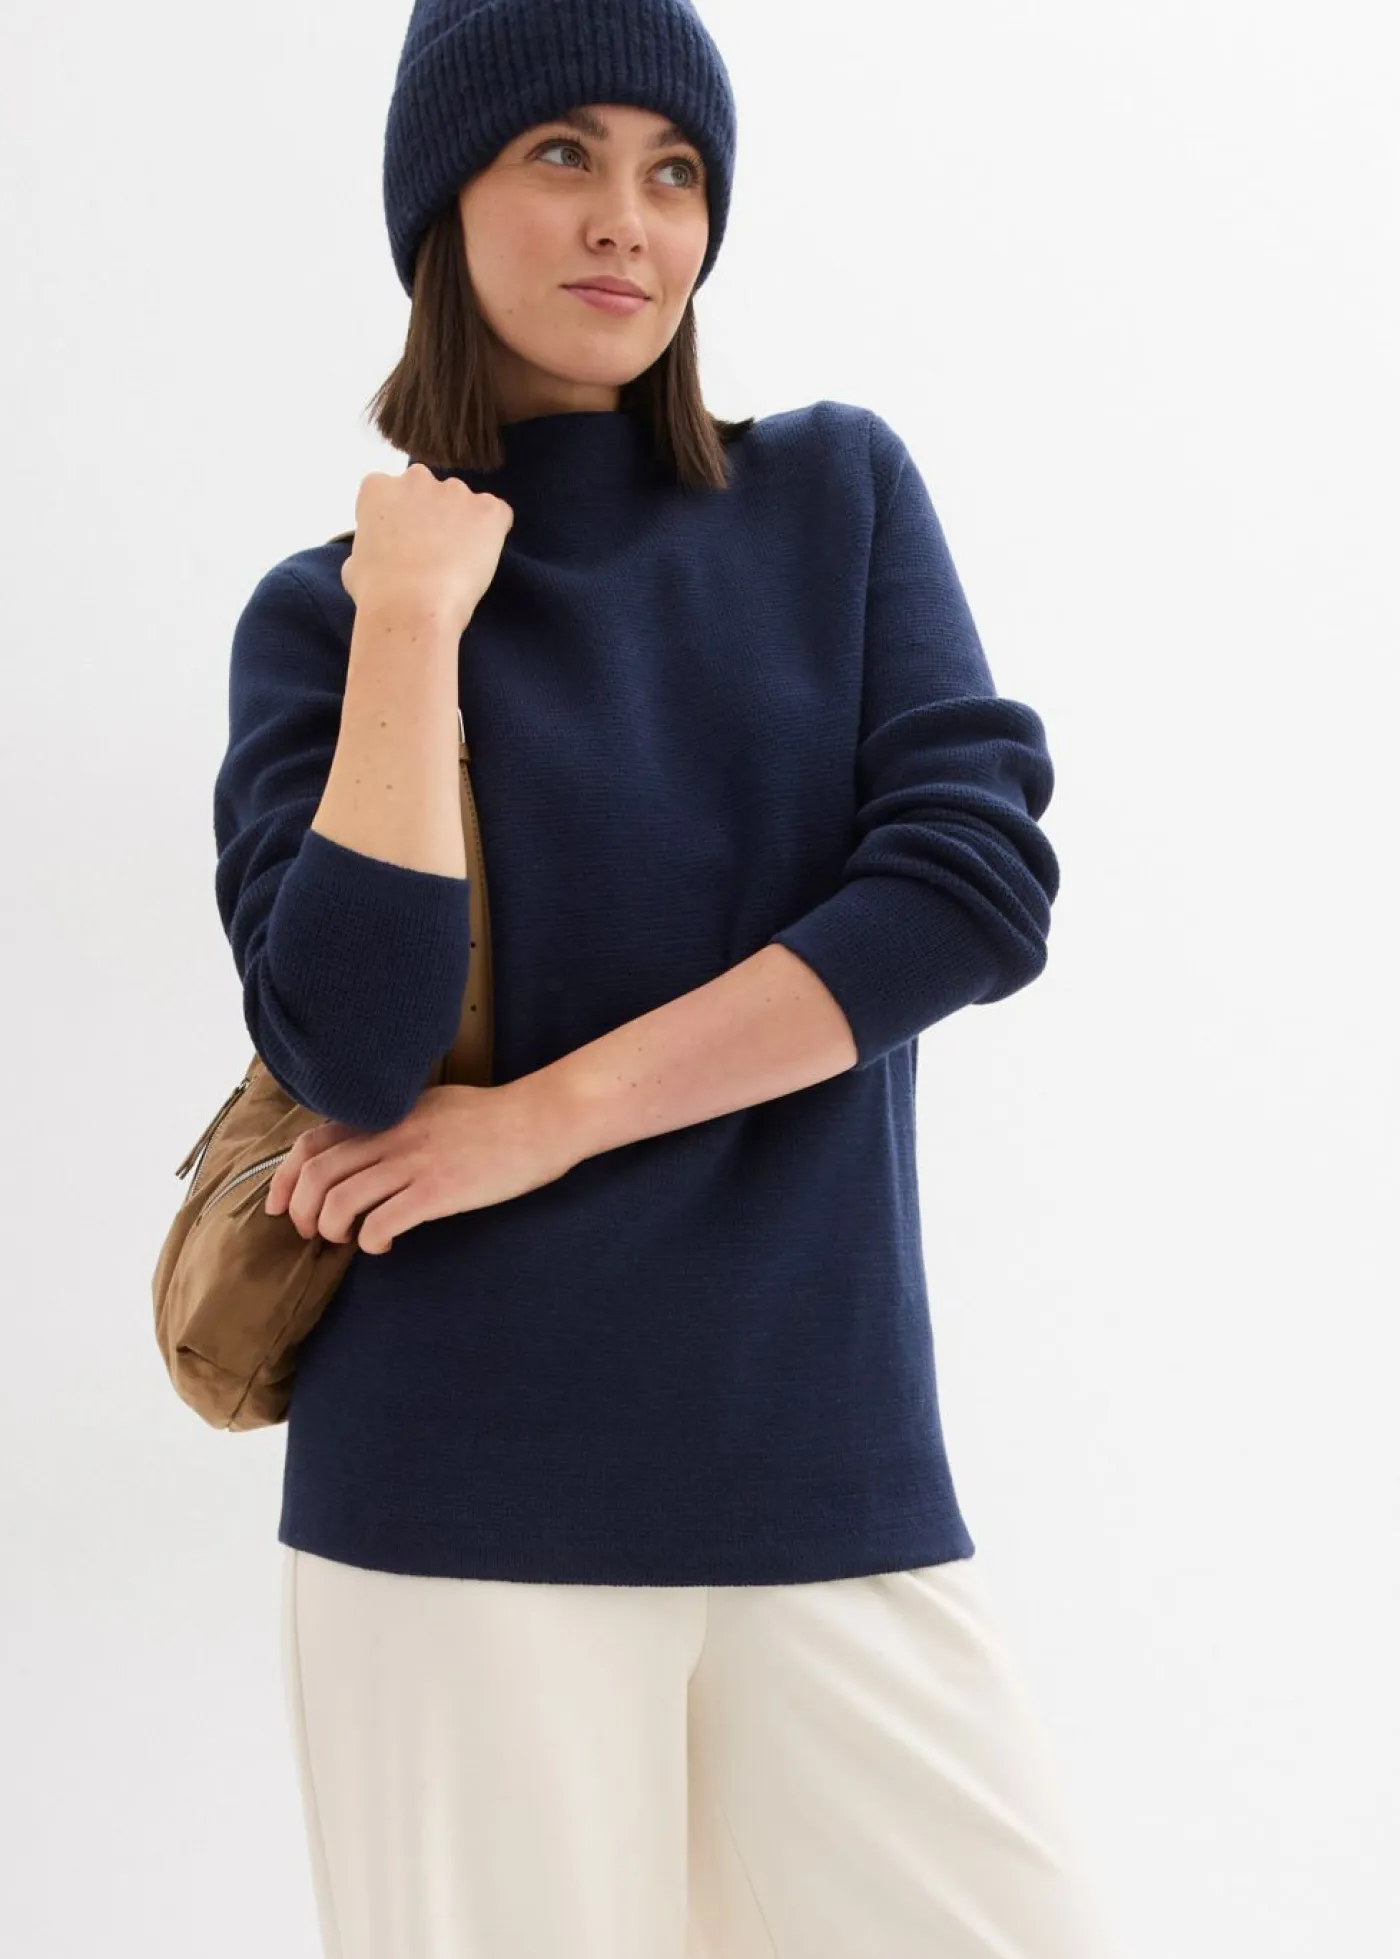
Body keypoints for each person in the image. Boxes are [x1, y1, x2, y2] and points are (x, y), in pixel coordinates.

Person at [211, 1, 1125, 1952]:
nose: (628, 215)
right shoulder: (326, 615)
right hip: (453, 1503)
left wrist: (544, 1121)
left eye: (675, 168)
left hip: (824, 1462)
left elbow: (969, 890)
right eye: (562, 151)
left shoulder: (834, 500)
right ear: (442, 201)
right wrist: (409, 623)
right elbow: (355, 1042)